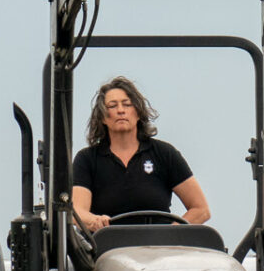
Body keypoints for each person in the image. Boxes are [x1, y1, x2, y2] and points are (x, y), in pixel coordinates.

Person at [71, 76, 211, 233]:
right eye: (112, 106)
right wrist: (95, 221)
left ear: (138, 112)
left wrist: (169, 235)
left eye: (127, 104)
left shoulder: (164, 154)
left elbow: (201, 210)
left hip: (159, 251)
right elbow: (76, 212)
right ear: (103, 117)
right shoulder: (87, 159)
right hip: (106, 249)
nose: (121, 110)